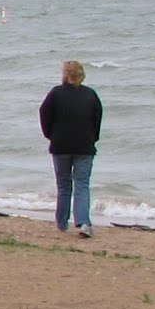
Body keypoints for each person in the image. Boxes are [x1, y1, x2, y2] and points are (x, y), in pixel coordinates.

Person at [38, 59, 102, 238]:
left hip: (61, 146)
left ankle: (62, 222)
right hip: (84, 146)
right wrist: (93, 138)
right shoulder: (90, 95)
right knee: (82, 184)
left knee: (64, 185)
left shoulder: (56, 94)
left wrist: (50, 135)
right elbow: (97, 120)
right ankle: (83, 222)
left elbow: (44, 113)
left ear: (65, 75)